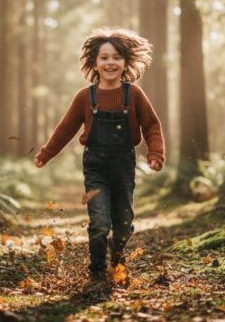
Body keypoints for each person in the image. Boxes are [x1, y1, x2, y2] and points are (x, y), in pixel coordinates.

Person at [34, 27, 165, 293]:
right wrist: (46, 154)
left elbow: (152, 125)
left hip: (124, 166)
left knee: (124, 223)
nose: (110, 63)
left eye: (116, 57)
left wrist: (155, 154)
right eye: (104, 57)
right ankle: (96, 274)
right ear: (94, 62)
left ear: (125, 62)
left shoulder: (134, 94)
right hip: (95, 167)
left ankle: (117, 259)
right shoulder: (86, 97)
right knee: (99, 222)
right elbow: (65, 129)